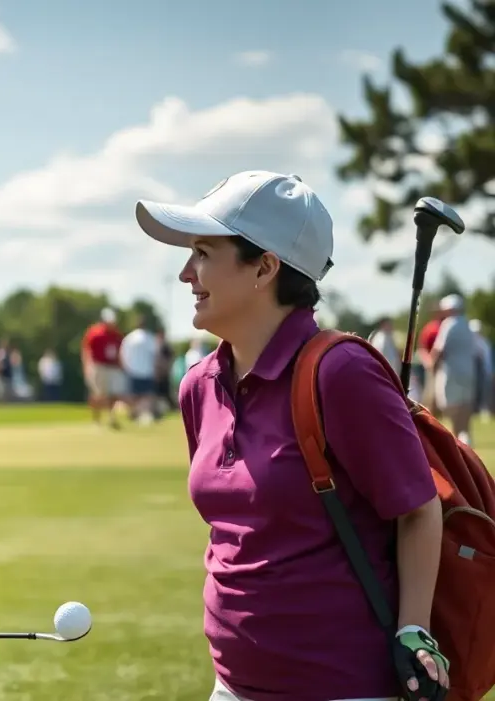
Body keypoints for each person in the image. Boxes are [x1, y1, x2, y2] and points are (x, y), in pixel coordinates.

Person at [134, 170, 448, 701]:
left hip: (343, 685)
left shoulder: (342, 372)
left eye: (204, 254)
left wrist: (413, 628)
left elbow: (418, 510)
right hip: (231, 684)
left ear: (264, 268)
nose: (187, 273)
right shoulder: (197, 387)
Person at [431, 294, 479, 445]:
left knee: (451, 409)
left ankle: (457, 441)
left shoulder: (448, 324)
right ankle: (465, 439)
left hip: (450, 374)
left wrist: (432, 366)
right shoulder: (468, 325)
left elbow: (438, 350)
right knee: (465, 408)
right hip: (469, 373)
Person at [81, 307, 126, 429]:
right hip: (98, 366)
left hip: (113, 367)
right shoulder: (94, 333)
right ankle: (96, 420)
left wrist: (122, 366)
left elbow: (120, 352)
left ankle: (112, 418)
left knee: (113, 394)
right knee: (98, 394)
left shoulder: (117, 335)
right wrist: (86, 366)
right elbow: (86, 350)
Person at [120, 317, 158, 424]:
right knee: (147, 395)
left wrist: (125, 368)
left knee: (133, 395)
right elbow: (155, 356)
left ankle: (135, 414)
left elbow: (123, 355)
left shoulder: (129, 338)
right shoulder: (150, 338)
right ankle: (143, 415)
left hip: (132, 371)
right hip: (147, 371)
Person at [470, 318, 492, 420]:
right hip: (472, 372)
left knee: (484, 391)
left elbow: (487, 359)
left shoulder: (485, 342)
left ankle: (483, 409)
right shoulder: (469, 343)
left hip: (483, 371)